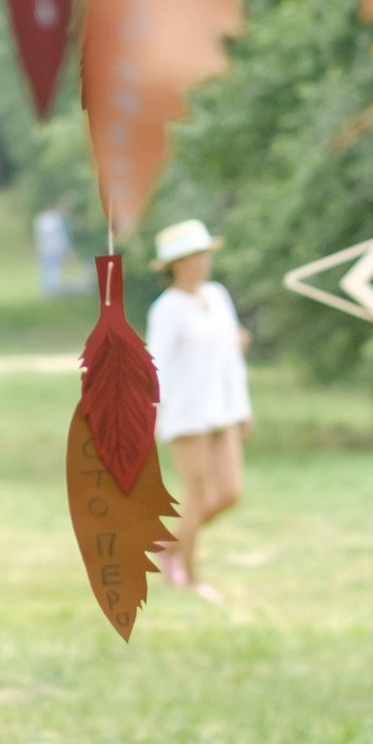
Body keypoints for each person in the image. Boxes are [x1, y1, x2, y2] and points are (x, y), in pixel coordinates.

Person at [145, 218, 252, 598]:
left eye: (205, 255)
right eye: (195, 256)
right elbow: (156, 367)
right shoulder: (167, 310)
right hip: (186, 414)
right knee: (196, 493)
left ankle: (167, 546)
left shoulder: (217, 297)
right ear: (176, 264)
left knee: (230, 493)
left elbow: (230, 359)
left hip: (221, 409)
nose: (204, 262)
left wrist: (242, 407)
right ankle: (191, 578)